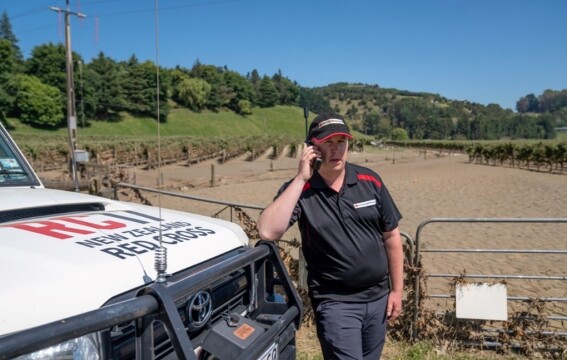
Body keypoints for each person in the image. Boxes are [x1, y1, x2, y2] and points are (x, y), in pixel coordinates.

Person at [257, 112, 404, 360]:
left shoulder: (370, 181)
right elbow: (268, 231)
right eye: (328, 143)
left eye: (341, 142)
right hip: (336, 303)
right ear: (312, 148)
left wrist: (397, 291)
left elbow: (391, 237)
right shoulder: (300, 189)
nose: (337, 150)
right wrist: (302, 176)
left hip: (378, 299)